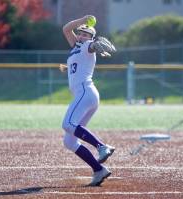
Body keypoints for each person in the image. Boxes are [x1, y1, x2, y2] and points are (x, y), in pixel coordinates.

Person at [61, 15, 116, 186]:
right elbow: (66, 28)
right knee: (69, 141)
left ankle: (101, 147)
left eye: (86, 34)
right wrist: (83, 19)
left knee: (67, 124)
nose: (82, 36)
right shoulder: (75, 47)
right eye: (80, 33)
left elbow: (91, 46)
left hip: (85, 92)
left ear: (91, 38)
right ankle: (99, 170)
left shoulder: (86, 46)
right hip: (87, 96)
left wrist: (92, 44)